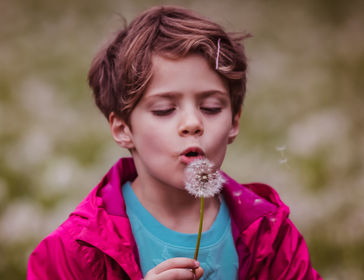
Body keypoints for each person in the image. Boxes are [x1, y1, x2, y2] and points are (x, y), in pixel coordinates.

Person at [28, 5, 322, 280]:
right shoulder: (73, 250)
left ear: (234, 122)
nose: (193, 123)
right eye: (164, 110)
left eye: (211, 107)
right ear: (122, 129)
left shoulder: (272, 234)